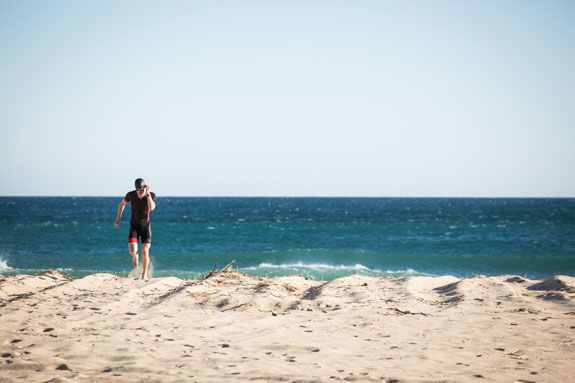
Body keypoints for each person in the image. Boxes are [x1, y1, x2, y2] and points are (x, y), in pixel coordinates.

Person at [114, 178, 156, 280]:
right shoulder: (131, 195)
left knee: (145, 251)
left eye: (141, 190)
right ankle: (135, 255)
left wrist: (148, 195)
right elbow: (122, 204)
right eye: (138, 190)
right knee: (133, 251)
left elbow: (152, 207)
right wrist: (118, 218)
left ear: (145, 188)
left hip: (145, 227)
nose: (139, 193)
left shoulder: (151, 195)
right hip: (134, 227)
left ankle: (144, 274)